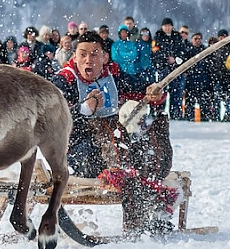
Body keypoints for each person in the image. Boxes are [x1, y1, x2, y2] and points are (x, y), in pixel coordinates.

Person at [52, 31, 174, 235]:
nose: (88, 60)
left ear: (104, 58)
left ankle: (150, 216)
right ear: (74, 57)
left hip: (114, 142)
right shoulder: (64, 80)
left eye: (94, 54)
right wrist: (84, 109)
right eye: (82, 54)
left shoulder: (114, 75)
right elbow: (52, 120)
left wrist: (155, 92)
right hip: (77, 149)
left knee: (146, 155)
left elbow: (144, 90)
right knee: (109, 160)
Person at [152, 17, 186, 120]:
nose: (167, 28)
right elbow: (155, 52)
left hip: (176, 69)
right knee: (161, 92)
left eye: (169, 26)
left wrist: (175, 59)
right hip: (163, 68)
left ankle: (175, 114)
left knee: (176, 92)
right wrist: (166, 57)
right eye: (165, 26)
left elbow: (182, 51)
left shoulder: (177, 37)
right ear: (162, 27)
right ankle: (160, 113)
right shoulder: (157, 37)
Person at [184, 32, 217, 121]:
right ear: (192, 40)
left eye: (199, 39)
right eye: (196, 39)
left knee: (205, 105)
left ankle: (204, 121)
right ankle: (188, 122)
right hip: (191, 82)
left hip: (204, 82)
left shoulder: (206, 51)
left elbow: (211, 65)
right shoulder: (188, 51)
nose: (198, 40)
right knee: (190, 105)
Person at [211, 29, 230, 120]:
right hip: (217, 78)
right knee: (216, 99)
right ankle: (216, 117)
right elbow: (212, 63)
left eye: (225, 36)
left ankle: (229, 116)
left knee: (229, 100)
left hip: (229, 77)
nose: (223, 38)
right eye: (221, 36)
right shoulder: (215, 48)